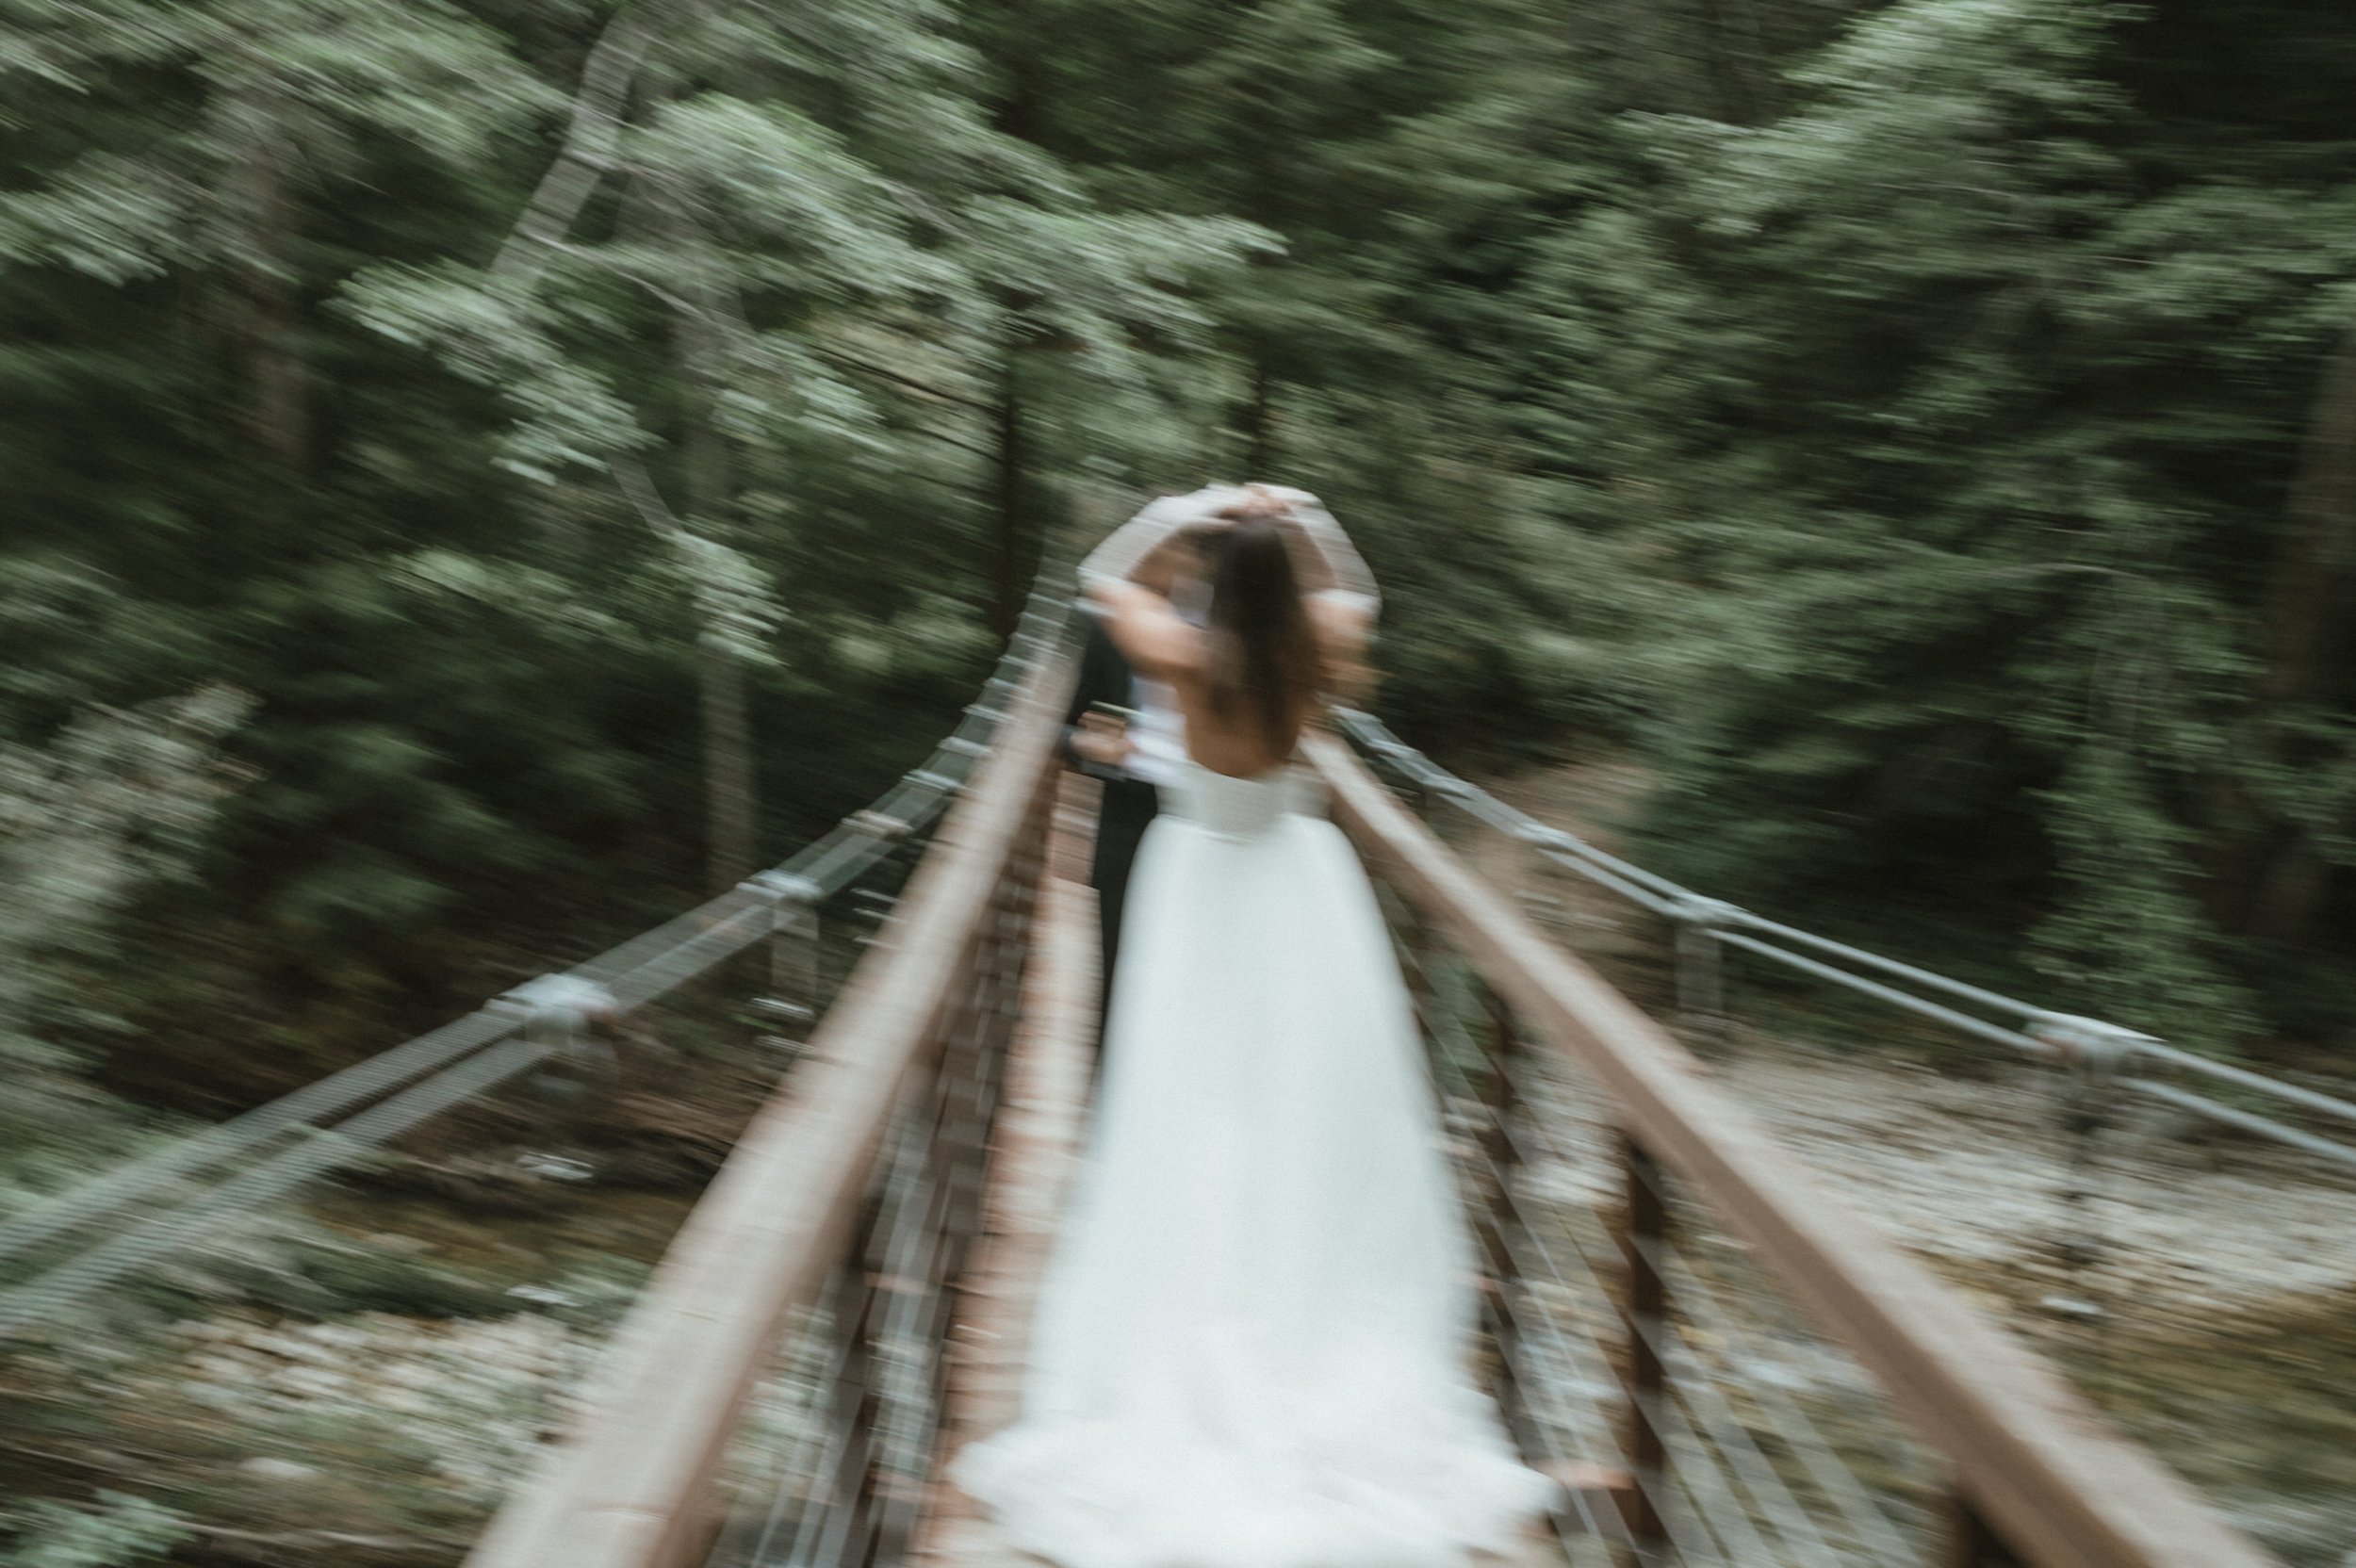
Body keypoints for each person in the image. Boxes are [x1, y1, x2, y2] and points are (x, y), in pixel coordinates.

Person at [951, 486, 1554, 1568]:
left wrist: (1182, 516)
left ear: (1216, 580)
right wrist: (1307, 515)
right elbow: (1352, 585)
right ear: (1294, 585)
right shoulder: (1321, 640)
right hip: (1299, 882)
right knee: (1301, 1105)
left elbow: (1105, 581)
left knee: (1192, 1095)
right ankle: (1300, 1305)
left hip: (1195, 882)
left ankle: (1202, 1288)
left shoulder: (1183, 651)